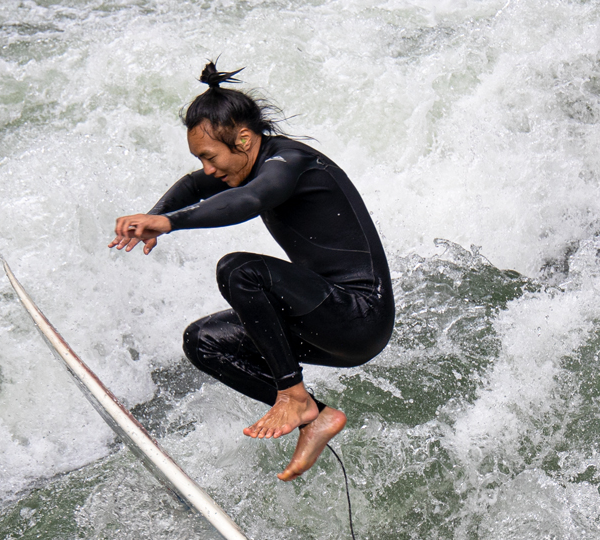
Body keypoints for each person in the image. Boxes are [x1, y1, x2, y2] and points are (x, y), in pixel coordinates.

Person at [110, 62, 394, 481]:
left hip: (359, 315)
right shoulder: (246, 160)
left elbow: (251, 200)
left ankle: (293, 396)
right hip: (325, 318)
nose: (209, 168)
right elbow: (193, 186)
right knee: (204, 341)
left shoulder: (287, 162)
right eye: (200, 158)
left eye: (211, 156)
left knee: (240, 270)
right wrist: (151, 218)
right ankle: (314, 416)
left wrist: (170, 223)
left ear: (243, 138)